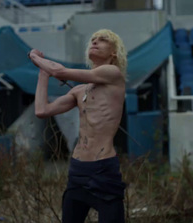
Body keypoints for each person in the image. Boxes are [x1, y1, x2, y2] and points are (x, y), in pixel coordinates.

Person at [29, 29, 127, 223]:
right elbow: (41, 110)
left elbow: (60, 71)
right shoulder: (79, 90)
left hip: (103, 170)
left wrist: (34, 57)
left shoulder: (113, 73)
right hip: (78, 170)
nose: (95, 42)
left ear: (114, 52)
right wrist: (43, 74)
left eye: (103, 40)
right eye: (93, 39)